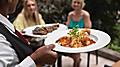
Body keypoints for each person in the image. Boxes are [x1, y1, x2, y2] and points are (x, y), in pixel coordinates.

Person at [0, 0, 58, 67]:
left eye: (33, 5)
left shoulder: (38, 16)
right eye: (29, 5)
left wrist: (20, 38)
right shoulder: (20, 18)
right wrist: (35, 59)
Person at [64, 0, 92, 67]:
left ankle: (76, 61)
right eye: (74, 2)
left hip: (82, 37)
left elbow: (88, 30)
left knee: (76, 50)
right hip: (71, 36)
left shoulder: (85, 15)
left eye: (78, 3)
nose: (76, 4)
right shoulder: (70, 15)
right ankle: (77, 59)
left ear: (82, 4)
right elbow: (67, 27)